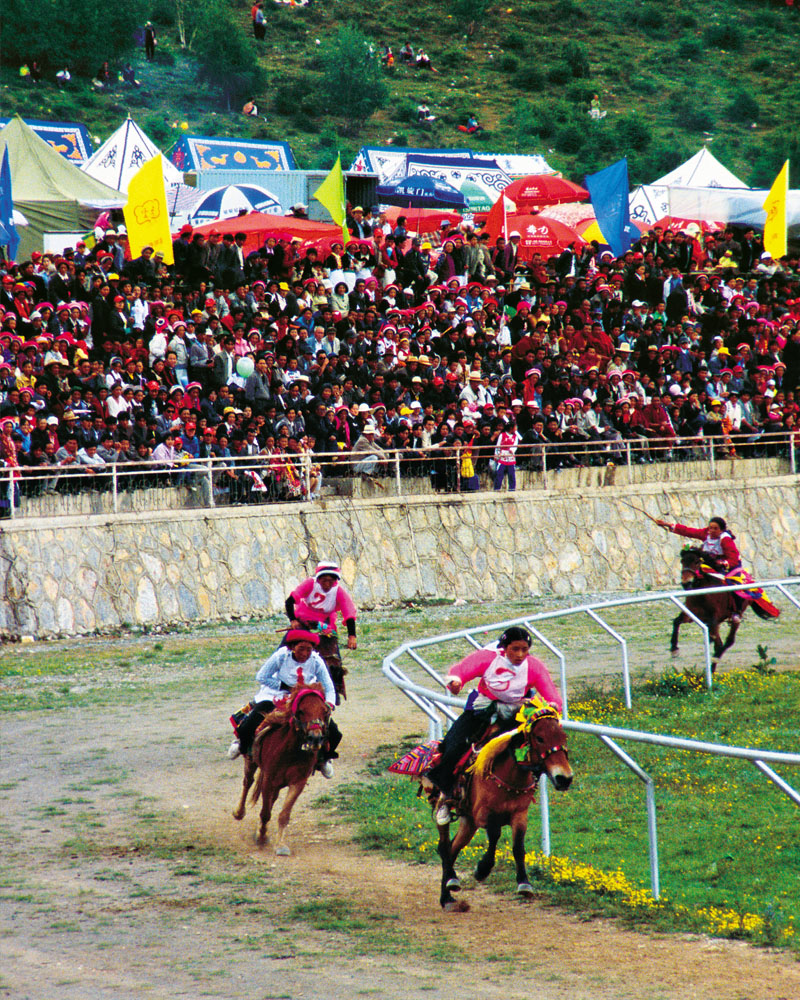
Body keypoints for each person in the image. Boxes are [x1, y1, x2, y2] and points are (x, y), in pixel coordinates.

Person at [426, 626, 562, 824]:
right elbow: (462, 669)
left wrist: (553, 706)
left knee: (534, 748)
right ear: (504, 648)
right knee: (453, 745)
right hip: (483, 708)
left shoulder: (533, 667)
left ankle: (528, 789)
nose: (520, 655)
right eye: (515, 649)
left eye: (524, 650)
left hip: (516, 712)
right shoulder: (488, 657)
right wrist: (456, 681)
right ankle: (445, 796)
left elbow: (552, 696)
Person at [227, 629, 341, 775]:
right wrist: (284, 686)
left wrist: (328, 704)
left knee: (334, 733)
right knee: (249, 725)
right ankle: (243, 746)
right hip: (277, 695)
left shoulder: (316, 660)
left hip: (304, 698)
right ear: (292, 647)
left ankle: (324, 759)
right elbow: (261, 676)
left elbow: (328, 687)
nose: (305, 654)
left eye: (309, 649)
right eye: (301, 649)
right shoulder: (281, 656)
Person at [286, 561, 357, 699]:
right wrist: (293, 620)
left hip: (325, 626)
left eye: (331, 581)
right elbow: (290, 601)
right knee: (286, 650)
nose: (327, 584)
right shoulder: (309, 584)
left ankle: (334, 691)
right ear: (318, 579)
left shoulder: (339, 592)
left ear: (335, 581)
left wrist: (352, 636)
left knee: (334, 660)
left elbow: (349, 613)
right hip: (303, 622)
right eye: (324, 580)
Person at [655, 515, 747, 621]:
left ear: (721, 530)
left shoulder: (726, 540)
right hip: (711, 563)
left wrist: (723, 563)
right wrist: (668, 525)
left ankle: (736, 611)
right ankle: (692, 603)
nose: (712, 530)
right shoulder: (706, 534)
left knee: (733, 585)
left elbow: (733, 558)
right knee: (696, 575)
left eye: (715, 528)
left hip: (730, 566)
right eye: (710, 527)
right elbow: (689, 531)